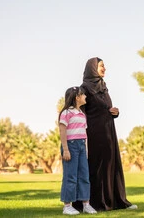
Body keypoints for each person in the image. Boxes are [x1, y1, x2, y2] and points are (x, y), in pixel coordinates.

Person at [80, 57, 137, 211]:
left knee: (110, 165)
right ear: (92, 68)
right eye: (101, 66)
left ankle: (116, 201)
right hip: (94, 133)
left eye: (104, 66)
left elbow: (105, 108)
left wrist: (114, 112)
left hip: (108, 132)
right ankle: (95, 203)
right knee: (96, 166)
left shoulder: (103, 87)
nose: (104, 68)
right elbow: (81, 113)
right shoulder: (84, 88)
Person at [58, 86, 97, 215]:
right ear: (77, 97)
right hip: (70, 146)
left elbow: (84, 134)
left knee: (84, 176)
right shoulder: (66, 113)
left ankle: (86, 204)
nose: (85, 97)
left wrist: (85, 149)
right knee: (70, 176)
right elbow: (62, 131)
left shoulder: (81, 113)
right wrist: (66, 149)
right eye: (83, 95)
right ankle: (67, 206)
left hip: (81, 146)